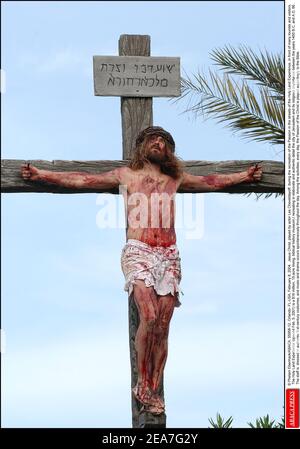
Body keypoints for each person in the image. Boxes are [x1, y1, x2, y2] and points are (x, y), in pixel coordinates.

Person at [21, 126, 262, 415]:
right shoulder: (127, 175)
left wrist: (243, 176)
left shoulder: (176, 178)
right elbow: (83, 179)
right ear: (142, 146)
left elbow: (212, 181)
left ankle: (153, 385)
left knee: (163, 324)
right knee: (148, 316)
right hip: (140, 250)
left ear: (170, 151)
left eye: (164, 141)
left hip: (169, 254)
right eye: (153, 139)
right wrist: (42, 175)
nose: (159, 143)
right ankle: (142, 384)